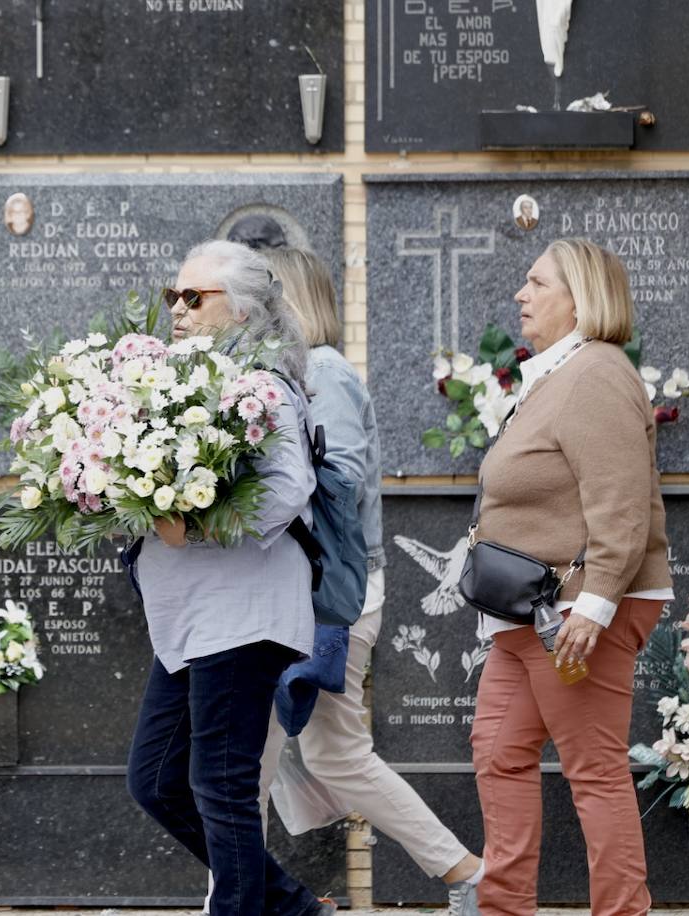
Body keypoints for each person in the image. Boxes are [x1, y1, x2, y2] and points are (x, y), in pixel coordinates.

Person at [254, 249, 484, 915]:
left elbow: (339, 481)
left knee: (255, 763)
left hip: (328, 597)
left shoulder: (323, 371)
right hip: (313, 595)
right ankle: (464, 871)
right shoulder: (297, 375)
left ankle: (240, 902)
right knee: (323, 756)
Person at [125, 239, 332, 916]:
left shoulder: (261, 385)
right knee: (155, 780)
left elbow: (287, 487)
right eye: (172, 297)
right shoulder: (186, 384)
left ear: (241, 311)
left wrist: (197, 525)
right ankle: (293, 908)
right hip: (190, 619)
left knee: (221, 786)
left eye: (195, 297)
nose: (177, 310)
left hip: (243, 615)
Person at [470, 239, 672, 916]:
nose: (521, 295)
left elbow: (619, 503)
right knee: (498, 752)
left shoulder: (596, 374)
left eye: (536, 283)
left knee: (593, 771)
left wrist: (595, 605)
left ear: (579, 298)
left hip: (574, 614)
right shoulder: (555, 376)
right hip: (526, 611)